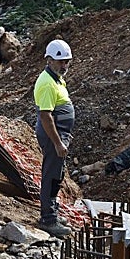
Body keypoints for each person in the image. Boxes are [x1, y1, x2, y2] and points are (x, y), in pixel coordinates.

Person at [33, 39, 74, 237]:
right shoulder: (47, 83)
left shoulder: (56, 78)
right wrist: (58, 143)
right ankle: (48, 219)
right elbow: (45, 116)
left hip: (59, 134)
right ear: (49, 60)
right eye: (61, 62)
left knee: (57, 174)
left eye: (67, 61)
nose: (64, 65)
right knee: (51, 176)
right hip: (52, 136)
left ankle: (52, 211)